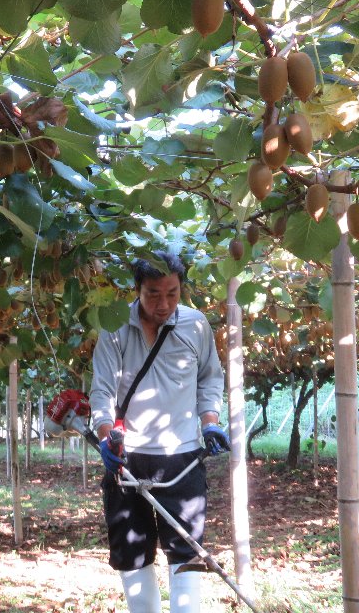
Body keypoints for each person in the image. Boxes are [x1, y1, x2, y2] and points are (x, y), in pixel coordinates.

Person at [89, 251, 229, 613]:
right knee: (132, 553)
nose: (163, 304)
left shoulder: (196, 326)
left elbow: (209, 380)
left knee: (186, 552)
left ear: (182, 288)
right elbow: (102, 390)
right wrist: (107, 437)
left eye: (172, 292)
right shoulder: (114, 328)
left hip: (181, 460)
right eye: (153, 293)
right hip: (127, 459)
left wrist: (210, 422)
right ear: (137, 289)